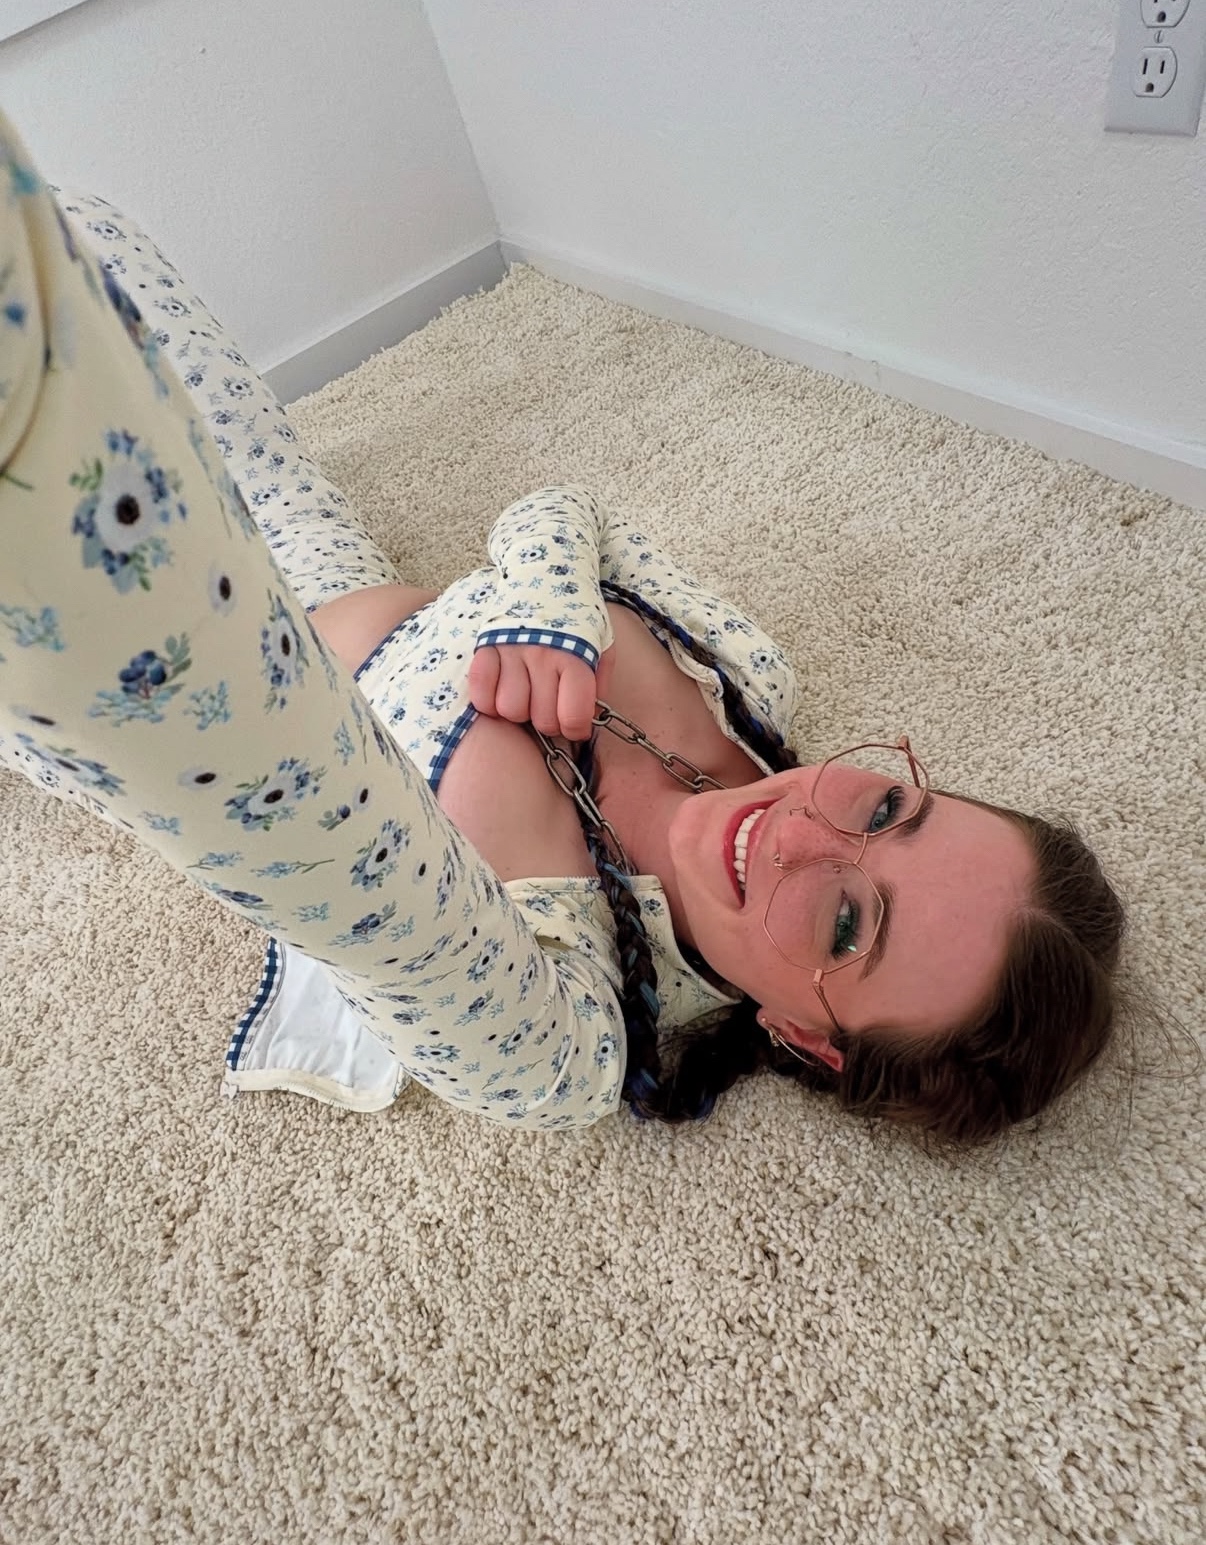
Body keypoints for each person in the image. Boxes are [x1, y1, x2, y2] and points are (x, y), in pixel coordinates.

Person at [0, 113, 1125, 1141]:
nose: (801, 833)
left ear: (806, 1039)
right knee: (78, 234)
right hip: (326, 560)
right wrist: (547, 603)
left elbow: (297, 856)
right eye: (886, 809)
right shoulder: (743, 676)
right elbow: (561, 512)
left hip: (143, 688)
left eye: (844, 924)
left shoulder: (570, 1033)